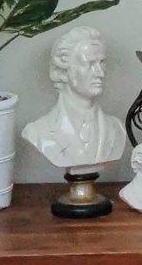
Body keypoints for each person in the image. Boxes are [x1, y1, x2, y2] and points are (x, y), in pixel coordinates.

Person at [20, 24, 126, 172]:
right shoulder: (37, 131)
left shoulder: (117, 128)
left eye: (102, 63)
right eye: (89, 64)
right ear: (64, 70)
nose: (100, 73)